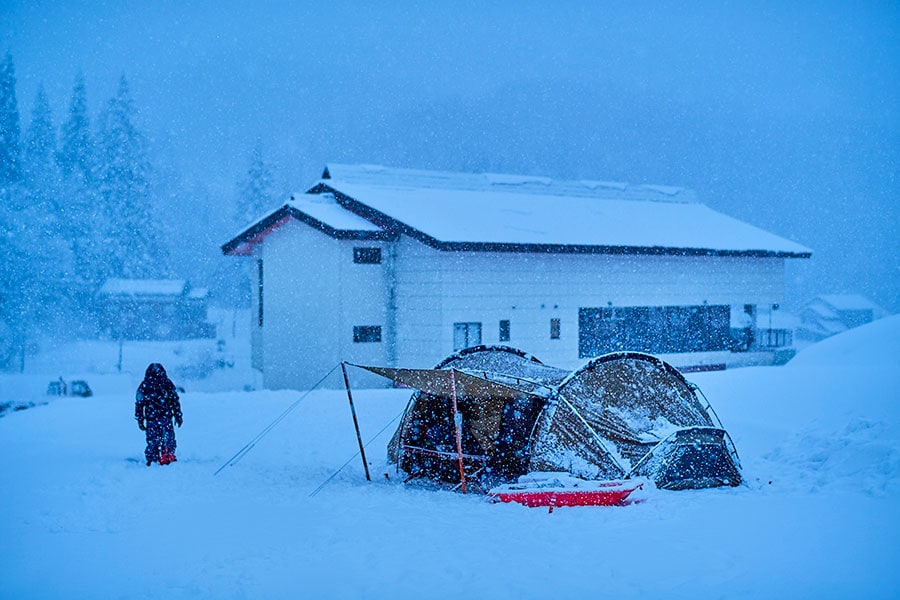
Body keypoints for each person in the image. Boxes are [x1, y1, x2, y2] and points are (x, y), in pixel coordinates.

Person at [135, 363, 183, 466]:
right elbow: (175, 400)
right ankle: (157, 457)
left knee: (160, 439)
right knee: (159, 439)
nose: (156, 380)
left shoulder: (146, 385)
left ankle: (162, 456)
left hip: (157, 417)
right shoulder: (164, 384)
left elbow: (139, 404)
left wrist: (178, 415)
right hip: (159, 417)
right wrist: (178, 415)